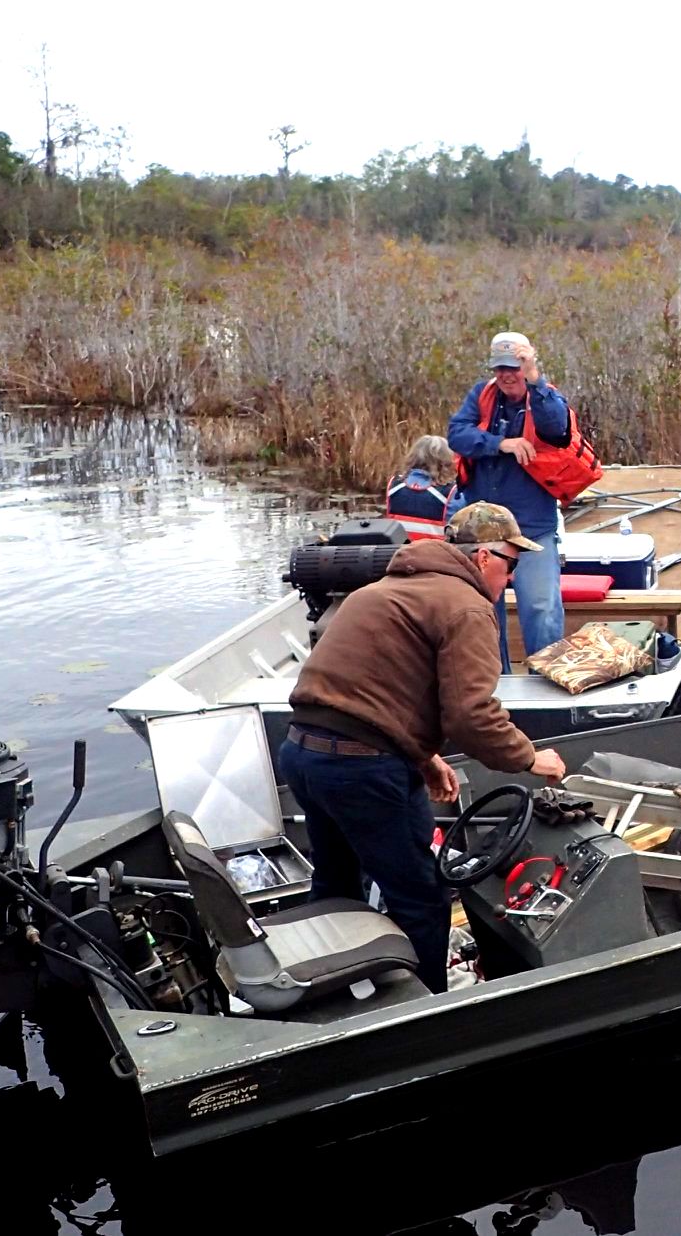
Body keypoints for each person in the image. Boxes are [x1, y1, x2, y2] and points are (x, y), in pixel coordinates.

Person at [279, 500, 568, 992]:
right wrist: (528, 757)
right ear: (482, 558)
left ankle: (328, 995)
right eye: (511, 565)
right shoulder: (467, 606)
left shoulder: (381, 590)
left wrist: (424, 755)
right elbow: (471, 714)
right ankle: (428, 1012)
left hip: (303, 755)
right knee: (421, 898)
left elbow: (367, 690)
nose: (512, 578)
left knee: (336, 881)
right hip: (362, 770)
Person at [448, 330, 600, 669]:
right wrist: (501, 444)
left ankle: (546, 680)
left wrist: (535, 378)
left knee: (541, 608)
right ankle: (493, 681)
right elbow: (457, 434)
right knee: (483, 611)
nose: (506, 375)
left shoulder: (546, 399)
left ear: (527, 365)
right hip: (483, 534)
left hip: (533, 527)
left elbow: (557, 429)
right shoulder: (482, 395)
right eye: (500, 368)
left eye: (514, 367)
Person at [384, 434, 456, 541]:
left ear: (412, 457)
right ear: (445, 463)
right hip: (435, 554)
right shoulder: (451, 492)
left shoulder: (393, 485)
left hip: (398, 554)